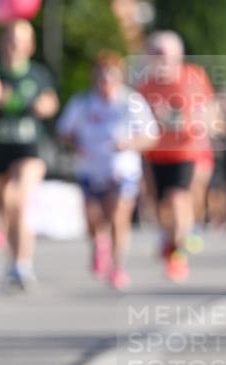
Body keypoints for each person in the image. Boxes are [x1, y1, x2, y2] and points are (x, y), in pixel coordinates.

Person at [57, 51, 159, 289]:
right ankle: (99, 244)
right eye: (101, 75)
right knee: (93, 218)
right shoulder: (82, 102)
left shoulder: (131, 101)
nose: (105, 80)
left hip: (122, 170)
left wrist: (129, 144)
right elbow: (64, 131)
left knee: (118, 216)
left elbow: (151, 136)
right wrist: (76, 145)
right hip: (91, 169)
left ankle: (117, 266)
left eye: (110, 75)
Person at [138, 31, 220, 283]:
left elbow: (209, 111)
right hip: (154, 153)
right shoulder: (144, 84)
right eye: (153, 53)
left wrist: (187, 121)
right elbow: (135, 117)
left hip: (186, 150)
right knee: (161, 206)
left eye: (162, 54)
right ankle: (171, 241)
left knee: (178, 199)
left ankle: (176, 254)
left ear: (177, 55)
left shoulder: (193, 76)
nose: (158, 59)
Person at [0, 21, 59, 288]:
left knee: (18, 200)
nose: (14, 45)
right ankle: (15, 260)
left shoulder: (37, 74)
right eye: (9, 39)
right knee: (6, 206)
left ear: (30, 46)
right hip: (0, 148)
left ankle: (23, 264)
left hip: (29, 148)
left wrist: (45, 106)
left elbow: (51, 102)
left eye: (20, 40)